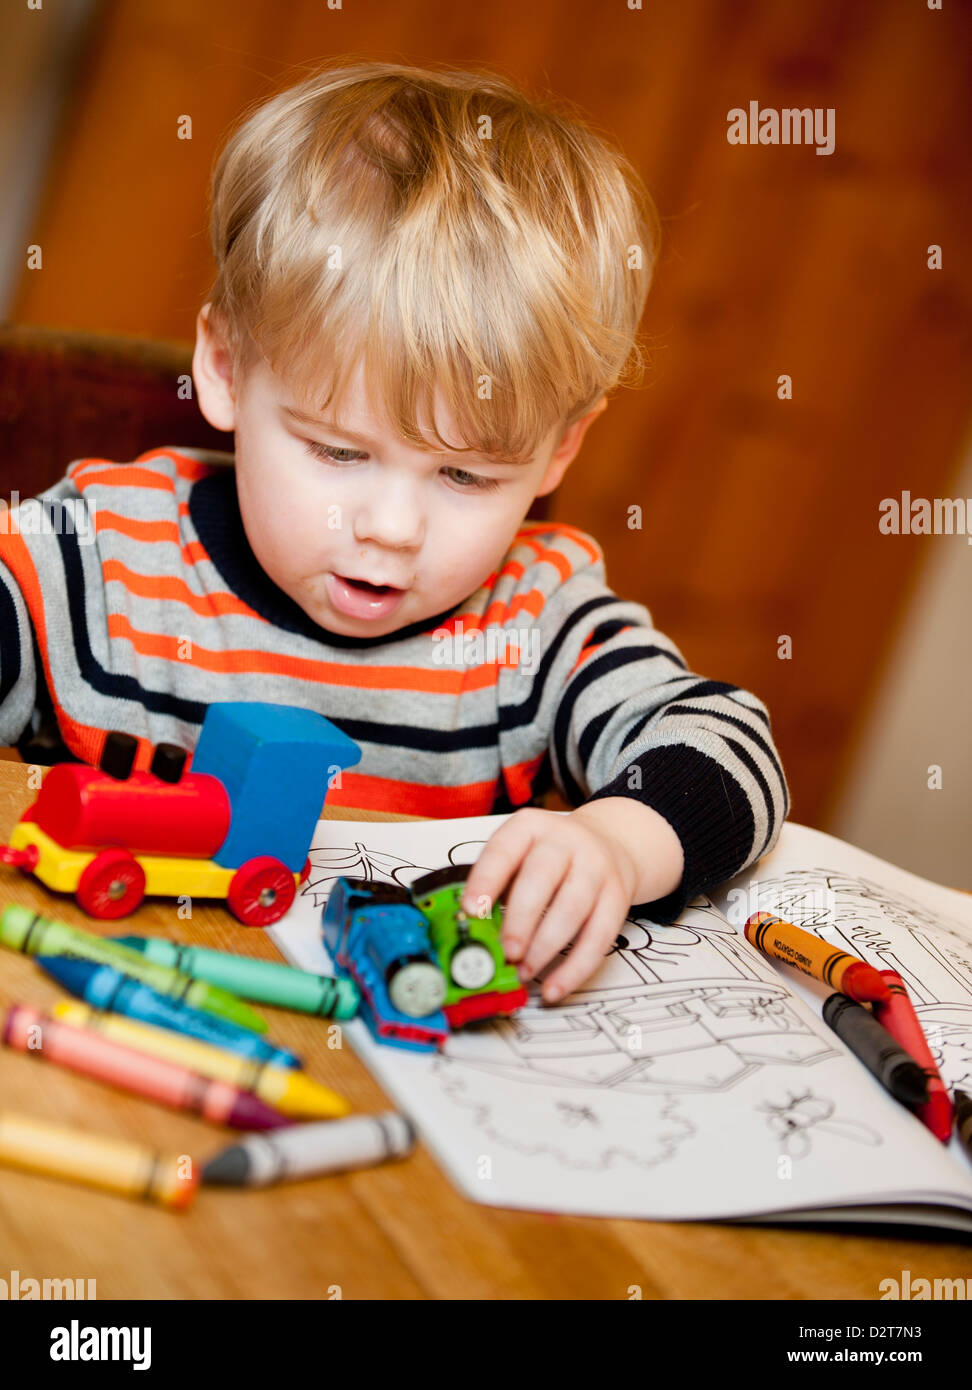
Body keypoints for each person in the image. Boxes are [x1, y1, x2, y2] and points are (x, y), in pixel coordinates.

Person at [0, 60, 789, 1004]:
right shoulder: (97, 554)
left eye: (465, 475)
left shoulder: (537, 622)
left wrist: (617, 843)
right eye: (337, 452)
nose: (392, 527)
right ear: (225, 369)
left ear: (558, 451)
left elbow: (729, 740)